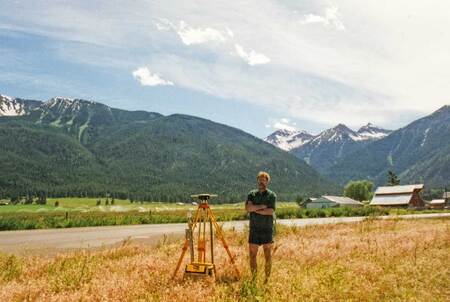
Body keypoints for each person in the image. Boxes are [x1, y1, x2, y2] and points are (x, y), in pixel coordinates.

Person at [245, 171, 277, 283]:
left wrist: (255, 208)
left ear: (267, 182)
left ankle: (266, 280)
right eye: (260, 179)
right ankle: (254, 279)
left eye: (264, 180)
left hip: (267, 229)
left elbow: (270, 211)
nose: (261, 182)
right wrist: (261, 207)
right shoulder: (251, 194)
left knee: (268, 255)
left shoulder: (272, 195)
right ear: (257, 180)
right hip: (254, 229)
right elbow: (248, 209)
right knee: (252, 255)